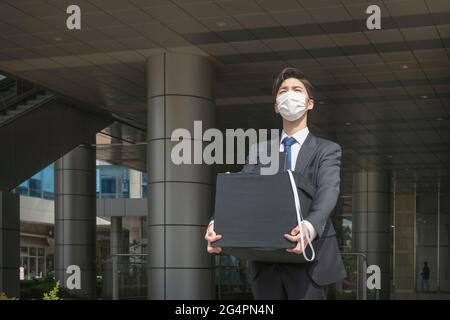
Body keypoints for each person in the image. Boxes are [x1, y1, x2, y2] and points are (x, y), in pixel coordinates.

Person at [205, 67, 346, 300]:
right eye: (284, 91)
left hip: (310, 261)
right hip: (265, 264)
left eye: (297, 89)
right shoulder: (260, 151)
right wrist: (217, 225)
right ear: (276, 105)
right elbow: (242, 194)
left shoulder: (327, 150)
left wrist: (309, 228)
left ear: (310, 103)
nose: (290, 94)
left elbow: (328, 192)